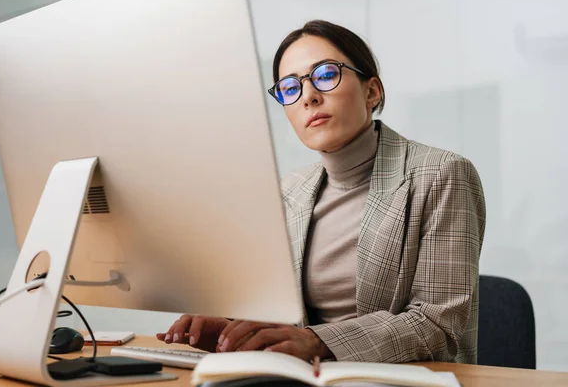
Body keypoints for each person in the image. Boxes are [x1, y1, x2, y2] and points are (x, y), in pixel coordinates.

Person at [156, 20, 486, 364]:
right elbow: (290, 320)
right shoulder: (289, 192)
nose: (309, 96)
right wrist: (229, 329)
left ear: (371, 91)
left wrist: (316, 342)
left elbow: (437, 325)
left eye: (326, 75)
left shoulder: (442, 174)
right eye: (289, 87)